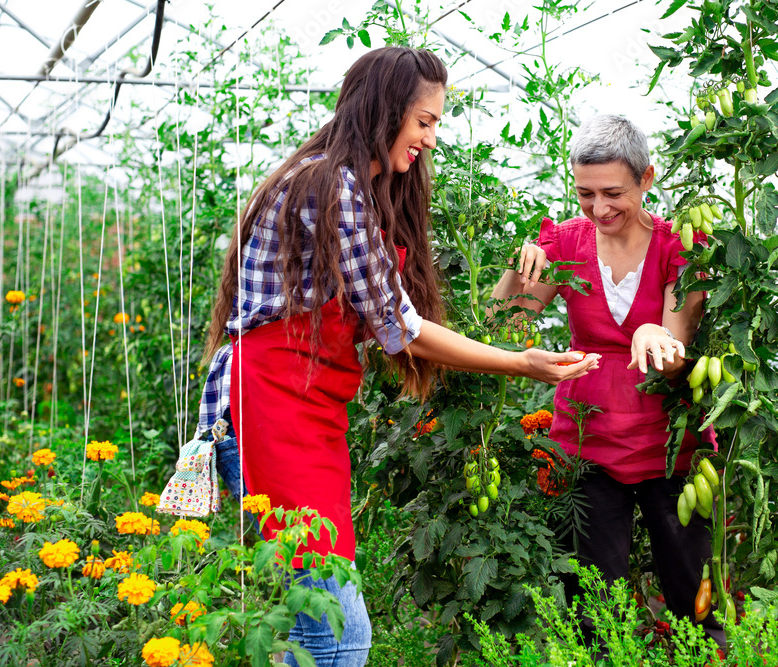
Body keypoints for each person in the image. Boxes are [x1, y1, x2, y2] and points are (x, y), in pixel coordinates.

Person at [195, 46, 600, 667]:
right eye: (424, 123)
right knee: (338, 631)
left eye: (436, 124)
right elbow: (401, 329)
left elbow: (406, 319)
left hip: (306, 412)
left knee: (317, 621)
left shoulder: (346, 184)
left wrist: (510, 311)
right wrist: (522, 362)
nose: (430, 141)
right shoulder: (331, 186)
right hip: (269, 408)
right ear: (386, 111)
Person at [491, 114, 721, 643]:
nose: (599, 209)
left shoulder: (678, 247)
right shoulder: (567, 242)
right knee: (595, 606)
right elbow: (503, 328)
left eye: (613, 192)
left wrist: (651, 335)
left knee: (694, 598)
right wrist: (515, 269)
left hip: (670, 446)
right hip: (584, 443)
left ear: (647, 178)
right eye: (584, 194)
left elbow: (677, 353)